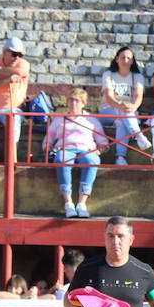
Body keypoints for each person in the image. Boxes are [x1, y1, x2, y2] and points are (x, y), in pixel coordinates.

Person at [43, 86, 109, 218]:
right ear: (67, 102)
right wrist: (50, 149)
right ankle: (68, 203)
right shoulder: (59, 119)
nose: (73, 104)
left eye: (77, 101)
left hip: (86, 149)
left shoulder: (91, 120)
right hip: (66, 148)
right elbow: (48, 140)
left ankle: (81, 203)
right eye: (71, 100)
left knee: (92, 161)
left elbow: (103, 142)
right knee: (62, 160)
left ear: (83, 103)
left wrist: (98, 150)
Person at [99, 46, 153, 163]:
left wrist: (133, 107)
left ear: (132, 61)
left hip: (128, 113)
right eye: (123, 58)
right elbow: (109, 97)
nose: (126, 60)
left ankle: (120, 157)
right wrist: (122, 107)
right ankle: (139, 136)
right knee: (123, 111)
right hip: (107, 111)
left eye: (129, 58)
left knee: (121, 121)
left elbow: (138, 96)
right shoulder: (108, 75)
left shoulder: (137, 77)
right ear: (117, 59)